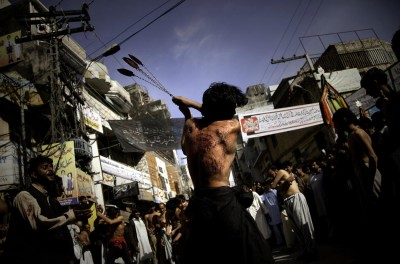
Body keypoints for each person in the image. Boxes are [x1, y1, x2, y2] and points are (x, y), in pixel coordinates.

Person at [172, 82, 275, 264]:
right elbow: (218, 114)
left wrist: (188, 110)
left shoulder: (190, 125)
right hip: (221, 201)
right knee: (248, 253)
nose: (232, 111)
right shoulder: (231, 126)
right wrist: (191, 103)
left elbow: (186, 149)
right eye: (230, 108)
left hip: (200, 202)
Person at [3, 155, 92, 264]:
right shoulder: (24, 196)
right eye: (45, 167)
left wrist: (69, 256)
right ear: (34, 174)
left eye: (51, 167)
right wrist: (71, 215)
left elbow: (62, 230)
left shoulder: (50, 200)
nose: (50, 170)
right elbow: (40, 224)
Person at [268, 165, 318, 262]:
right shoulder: (282, 177)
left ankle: (312, 251)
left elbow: (273, 186)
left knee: (303, 225)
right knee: (297, 228)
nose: (273, 175)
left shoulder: (281, 171)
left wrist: (279, 185)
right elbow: (277, 188)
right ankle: (306, 250)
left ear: (275, 170)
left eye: (272, 173)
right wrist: (285, 183)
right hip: (288, 201)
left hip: (295, 198)